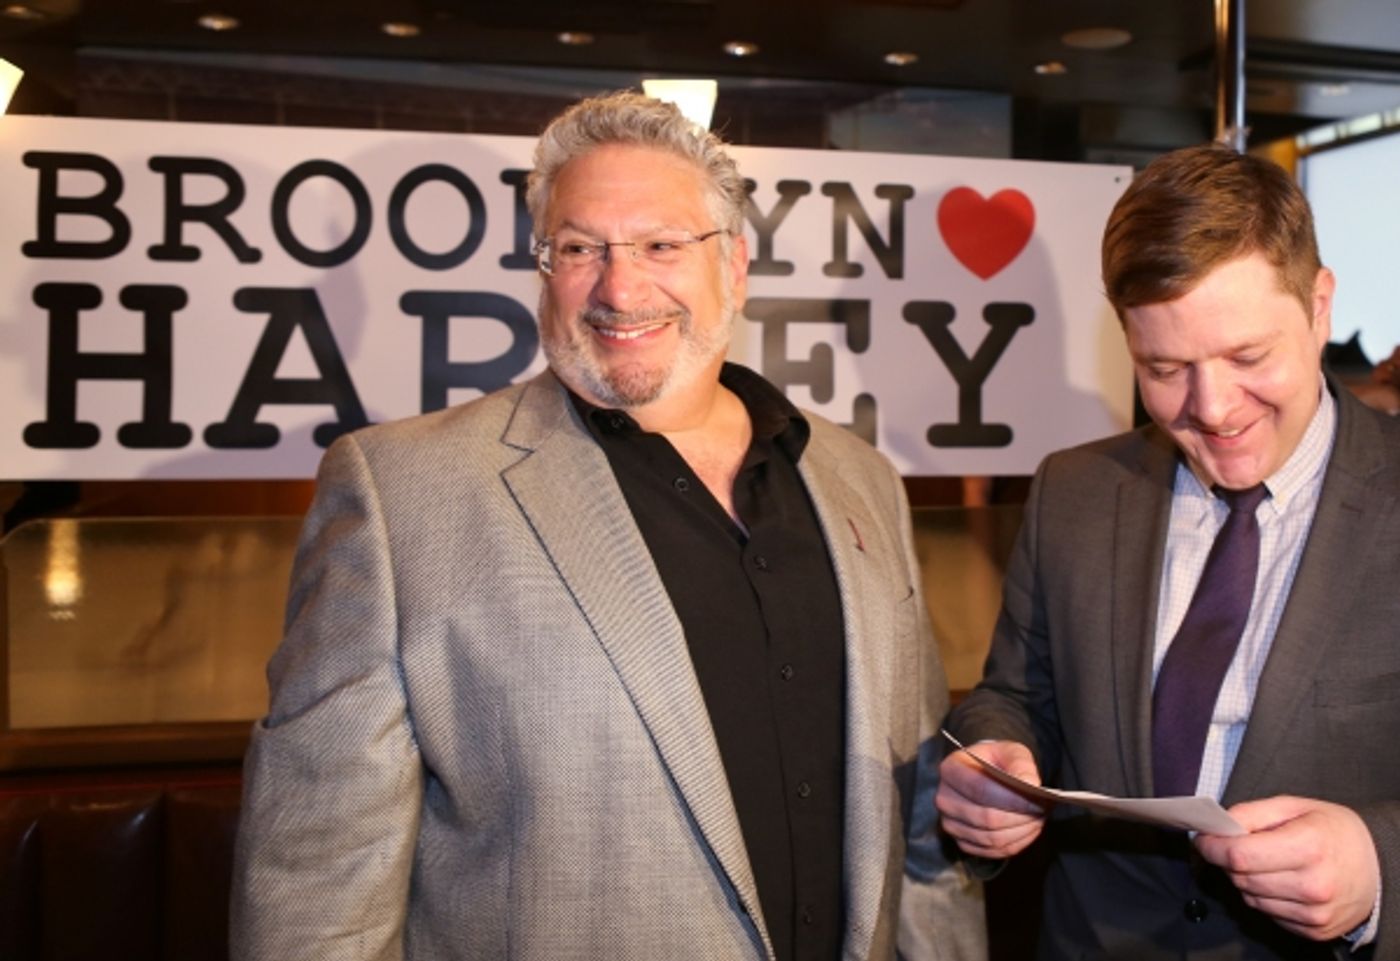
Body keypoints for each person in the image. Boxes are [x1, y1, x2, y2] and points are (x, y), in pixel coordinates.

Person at [230, 91, 984, 961]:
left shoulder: (860, 482)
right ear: (544, 268)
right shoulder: (403, 496)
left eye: (662, 245)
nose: (619, 288)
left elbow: (918, 825)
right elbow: (316, 886)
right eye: (581, 248)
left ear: (733, 267)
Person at [936, 142, 1400, 960]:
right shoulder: (1074, 490)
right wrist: (995, 759)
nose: (1212, 408)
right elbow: (1015, 695)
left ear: (1321, 306)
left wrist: (1380, 864)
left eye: (1248, 357)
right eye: (1165, 367)